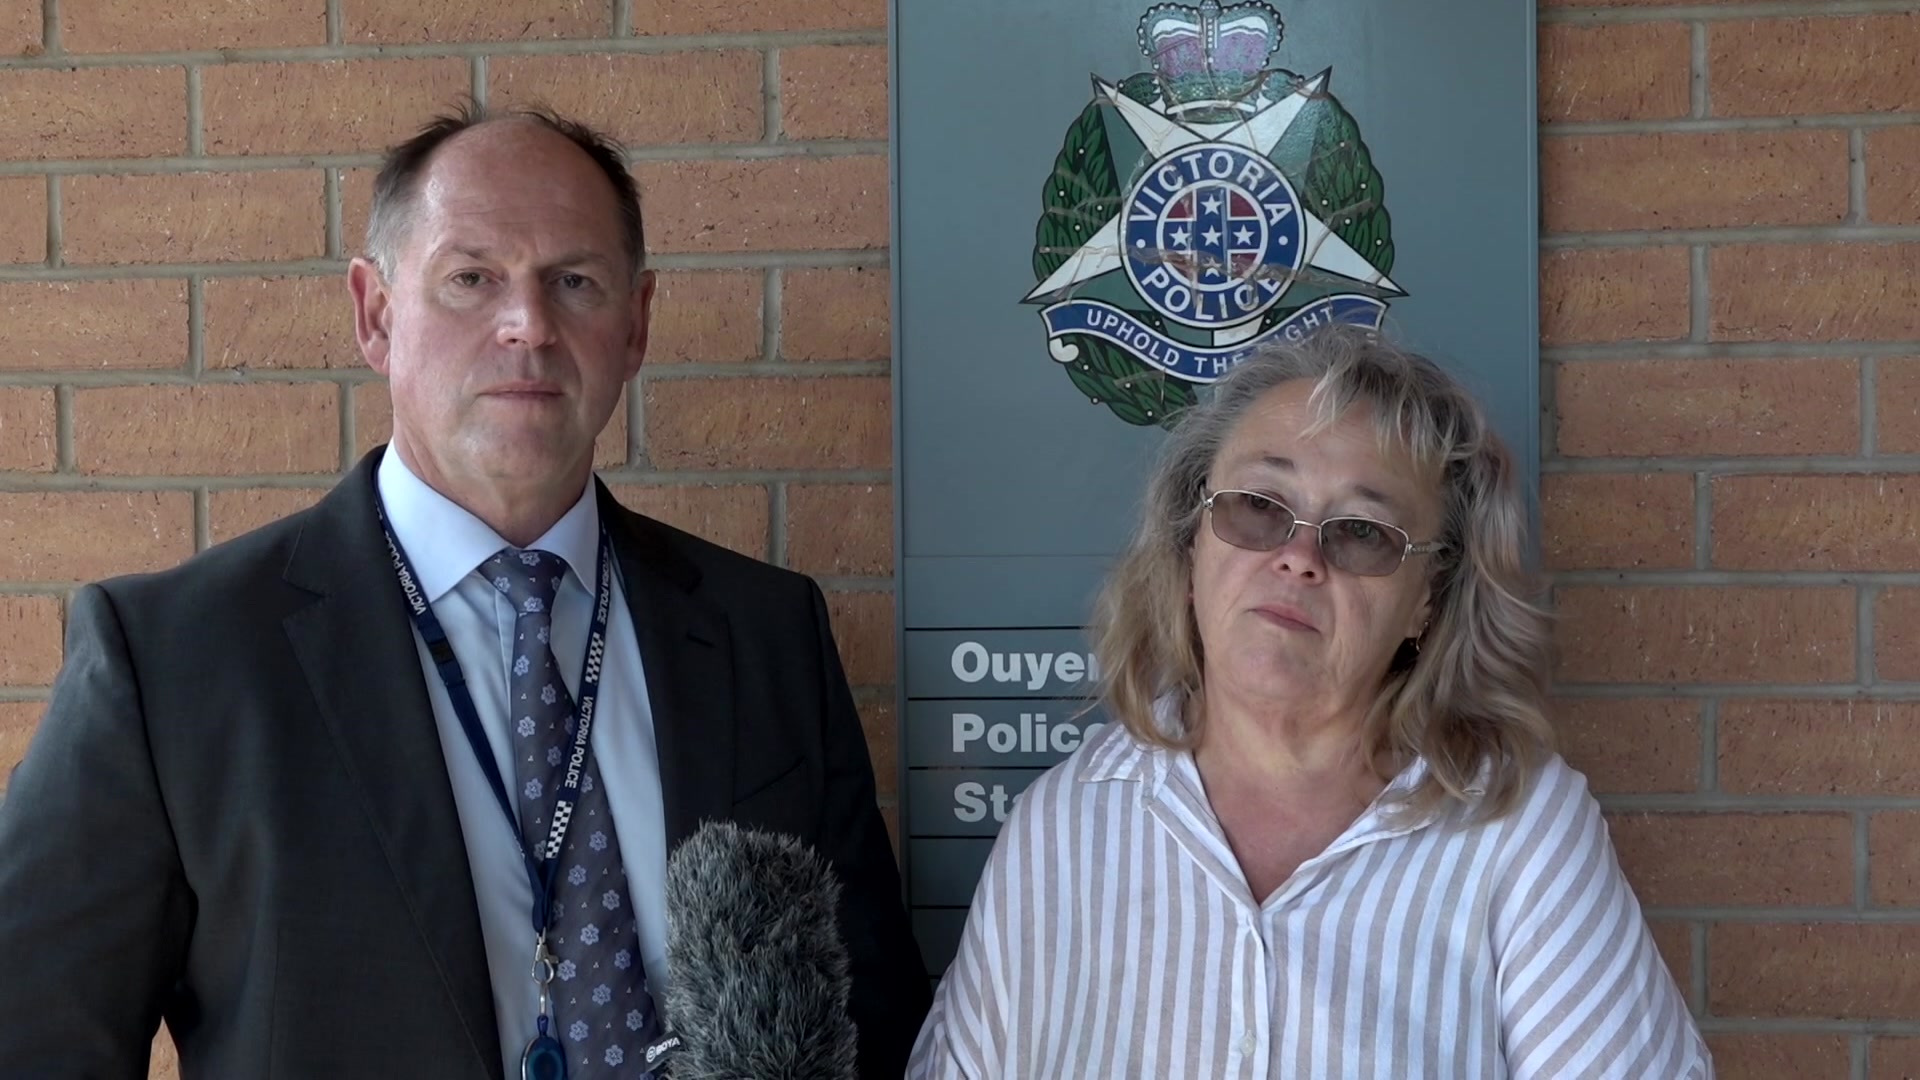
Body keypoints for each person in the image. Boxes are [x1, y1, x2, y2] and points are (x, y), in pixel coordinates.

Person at [0, 104, 930, 1079]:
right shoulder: (176, 660)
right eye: (471, 278)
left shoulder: (764, 635)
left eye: (574, 281)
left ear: (637, 324)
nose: (527, 323)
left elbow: (875, 1031)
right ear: (376, 313)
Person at [907, 326, 1712, 1078]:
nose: (1298, 559)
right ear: (1190, 545)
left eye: (1363, 532)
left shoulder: (1518, 830)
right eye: (1258, 507)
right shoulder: (1063, 828)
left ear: (1428, 601)